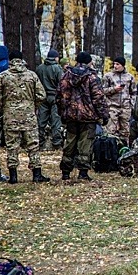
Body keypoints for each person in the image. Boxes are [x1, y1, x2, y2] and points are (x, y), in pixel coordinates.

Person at [0, 50, 50, 184]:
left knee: (12, 146)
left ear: (10, 60)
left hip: (10, 116)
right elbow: (42, 95)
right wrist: (32, 104)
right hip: (29, 116)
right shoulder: (31, 75)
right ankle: (36, 174)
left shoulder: (3, 76)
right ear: (21, 60)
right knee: (33, 145)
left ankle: (13, 176)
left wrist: (4, 106)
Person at [56, 52, 109, 181]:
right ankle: (83, 172)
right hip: (88, 116)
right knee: (85, 144)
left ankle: (66, 172)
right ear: (88, 62)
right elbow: (99, 98)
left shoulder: (66, 76)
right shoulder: (92, 77)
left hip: (71, 116)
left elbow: (60, 97)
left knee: (70, 143)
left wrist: (63, 113)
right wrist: (104, 114)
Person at [102, 57, 136, 143]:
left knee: (125, 132)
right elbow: (102, 91)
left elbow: (134, 92)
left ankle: (124, 151)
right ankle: (111, 150)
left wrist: (131, 104)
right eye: (114, 64)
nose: (115, 66)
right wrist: (114, 89)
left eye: (118, 64)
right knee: (110, 131)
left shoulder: (130, 77)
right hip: (112, 107)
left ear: (123, 65)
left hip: (125, 108)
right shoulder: (108, 76)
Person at [36, 49, 64, 149]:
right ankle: (56, 143)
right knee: (55, 121)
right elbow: (62, 84)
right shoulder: (57, 68)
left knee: (41, 121)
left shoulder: (40, 68)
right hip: (55, 97)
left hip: (43, 97)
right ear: (56, 58)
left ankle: (39, 142)